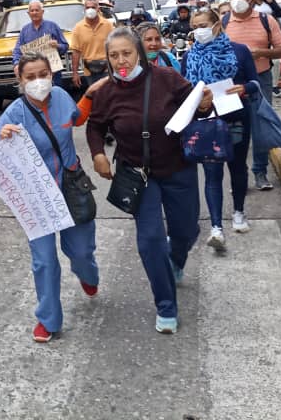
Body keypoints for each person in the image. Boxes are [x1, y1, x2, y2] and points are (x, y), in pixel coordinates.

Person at [86, 27, 213, 335]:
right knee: (150, 240)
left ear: (139, 53)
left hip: (177, 168)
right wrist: (98, 154)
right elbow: (95, 125)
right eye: (113, 56)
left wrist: (206, 104)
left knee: (186, 229)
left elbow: (198, 103)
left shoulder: (167, 78)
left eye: (126, 53)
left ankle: (177, 257)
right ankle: (166, 305)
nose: (120, 61)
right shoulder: (105, 92)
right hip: (138, 174)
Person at [0, 52, 99, 343]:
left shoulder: (62, 97)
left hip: (70, 187)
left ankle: (88, 275)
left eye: (43, 74)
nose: (38, 81)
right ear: (20, 79)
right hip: (35, 195)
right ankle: (48, 319)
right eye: (31, 77)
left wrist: (89, 94)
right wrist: (2, 140)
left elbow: (77, 119)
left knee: (80, 252)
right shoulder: (14, 113)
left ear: (51, 75)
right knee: (44, 261)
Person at [181, 9, 258, 251]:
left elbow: (256, 83)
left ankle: (238, 212)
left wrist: (244, 88)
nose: (199, 30)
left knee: (237, 168)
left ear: (216, 25)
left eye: (203, 24)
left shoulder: (239, 51)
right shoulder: (190, 56)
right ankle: (216, 227)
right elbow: (184, 89)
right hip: (205, 124)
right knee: (212, 175)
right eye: (195, 26)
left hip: (235, 120)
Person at [222, 0, 281, 191]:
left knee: (260, 126)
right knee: (235, 131)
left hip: (260, 79)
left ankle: (260, 172)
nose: (237, 0)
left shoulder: (266, 20)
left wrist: (260, 53)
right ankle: (238, 176)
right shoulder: (223, 23)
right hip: (231, 84)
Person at [11, 0, 68, 85]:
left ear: (42, 11)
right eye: (32, 10)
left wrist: (57, 46)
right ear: (28, 13)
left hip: (52, 73)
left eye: (37, 10)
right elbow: (17, 51)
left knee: (54, 95)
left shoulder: (52, 26)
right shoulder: (24, 30)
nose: (34, 13)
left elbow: (65, 46)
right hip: (33, 76)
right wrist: (16, 64)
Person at [70, 0, 113, 90]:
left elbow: (114, 47)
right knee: (94, 96)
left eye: (93, 7)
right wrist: (75, 73)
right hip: (89, 71)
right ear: (84, 9)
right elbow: (76, 52)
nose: (90, 10)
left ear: (98, 8)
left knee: (108, 94)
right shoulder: (78, 28)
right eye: (87, 7)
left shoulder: (108, 25)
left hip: (107, 69)